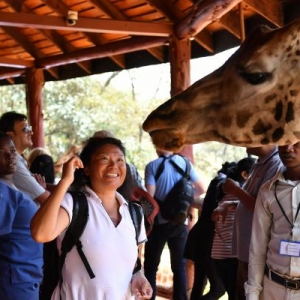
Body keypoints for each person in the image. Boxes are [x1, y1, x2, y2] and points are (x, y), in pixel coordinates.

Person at [30, 136, 152, 300]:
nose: (114, 165)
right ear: (86, 168)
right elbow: (40, 234)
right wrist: (66, 181)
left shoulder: (134, 213)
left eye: (119, 160)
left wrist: (139, 277)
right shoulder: (74, 204)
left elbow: (134, 264)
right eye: (104, 158)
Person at [214, 146, 283, 299]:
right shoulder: (261, 163)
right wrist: (230, 204)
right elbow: (255, 201)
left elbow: (263, 208)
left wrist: (235, 190)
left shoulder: (276, 163)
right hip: (247, 252)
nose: (244, 140)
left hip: (259, 255)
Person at [143, 149, 207, 300]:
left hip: (158, 223)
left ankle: (148, 297)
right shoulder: (185, 163)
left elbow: (150, 197)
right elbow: (201, 188)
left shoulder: (153, 166)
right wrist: (184, 202)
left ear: (158, 146)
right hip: (180, 222)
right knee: (179, 267)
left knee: (151, 267)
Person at [245, 142, 300, 299]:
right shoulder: (268, 191)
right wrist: (253, 293)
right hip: (272, 289)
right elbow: (257, 248)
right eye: (283, 141)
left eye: (297, 141)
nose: (288, 148)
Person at [184, 162, 237, 300]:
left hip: (199, 237)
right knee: (218, 289)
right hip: (210, 241)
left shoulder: (216, 181)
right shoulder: (228, 187)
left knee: (199, 283)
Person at [0, 132, 43, 299]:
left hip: (24, 276)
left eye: (12, 151)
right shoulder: (2, 193)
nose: (10, 157)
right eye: (1, 153)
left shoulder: (11, 188)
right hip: (14, 279)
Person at [211, 157, 255, 300]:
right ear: (245, 174)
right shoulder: (237, 192)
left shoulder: (229, 195)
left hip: (220, 254)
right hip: (230, 254)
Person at [0, 111, 50, 203]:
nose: (31, 132)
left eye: (29, 128)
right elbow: (46, 199)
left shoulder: (20, 160)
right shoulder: (13, 163)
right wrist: (42, 190)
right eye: (25, 129)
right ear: (10, 135)